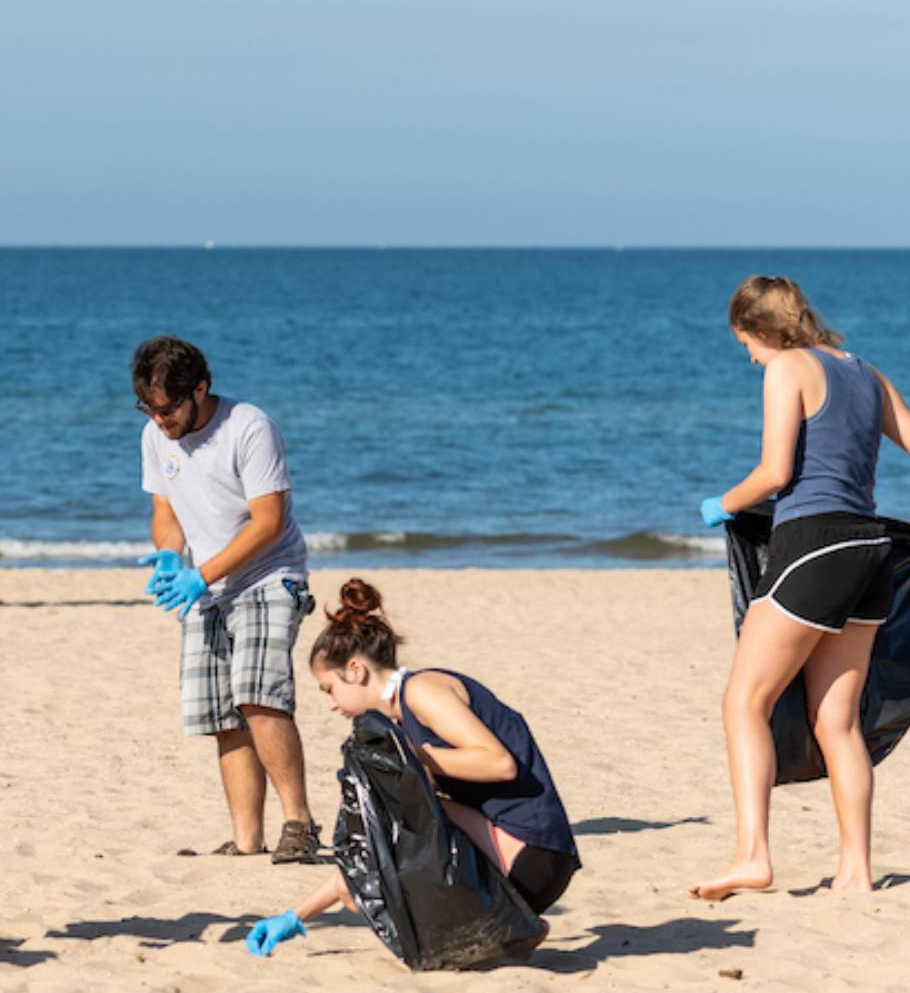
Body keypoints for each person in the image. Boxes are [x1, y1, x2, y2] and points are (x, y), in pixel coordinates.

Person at [690, 277, 910, 901]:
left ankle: (753, 856)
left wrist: (720, 504)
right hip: (871, 554)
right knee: (837, 721)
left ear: (758, 331)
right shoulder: (866, 372)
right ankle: (856, 872)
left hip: (814, 547)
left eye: (745, 346)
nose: (751, 359)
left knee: (743, 702)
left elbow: (776, 472)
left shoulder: (786, 368)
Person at [246, 579, 579, 957]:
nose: (332, 705)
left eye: (329, 689)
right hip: (519, 866)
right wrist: (296, 915)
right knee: (380, 872)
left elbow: (498, 762)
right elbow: (369, 847)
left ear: (355, 670)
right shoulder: (401, 716)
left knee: (396, 824)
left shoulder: (421, 690)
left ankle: (507, 923)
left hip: (532, 855)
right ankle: (512, 928)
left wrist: (414, 759)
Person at [131, 337, 322, 864]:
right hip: (208, 585)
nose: (159, 419)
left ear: (200, 389)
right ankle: (246, 840)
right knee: (221, 714)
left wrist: (202, 574)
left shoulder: (248, 427)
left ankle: (299, 824)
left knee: (258, 695)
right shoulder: (155, 434)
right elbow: (165, 511)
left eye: (167, 408)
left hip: (269, 575)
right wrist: (171, 556)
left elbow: (269, 522)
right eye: (149, 408)